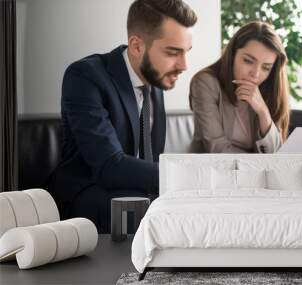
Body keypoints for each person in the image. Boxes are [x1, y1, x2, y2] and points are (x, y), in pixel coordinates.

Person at [49, 0, 197, 233]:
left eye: (186, 52)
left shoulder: (155, 81)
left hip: (136, 191)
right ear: (137, 46)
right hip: (87, 196)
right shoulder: (85, 76)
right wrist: (185, 175)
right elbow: (108, 166)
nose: (184, 65)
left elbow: (147, 163)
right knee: (162, 212)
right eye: (172, 52)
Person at [189, 21, 290, 154]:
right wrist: (258, 163)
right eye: (248, 61)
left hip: (255, 172)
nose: (255, 74)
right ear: (232, 55)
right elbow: (216, 148)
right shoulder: (206, 82)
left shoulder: (269, 90)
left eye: (266, 67)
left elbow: (276, 154)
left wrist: (263, 112)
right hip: (210, 171)